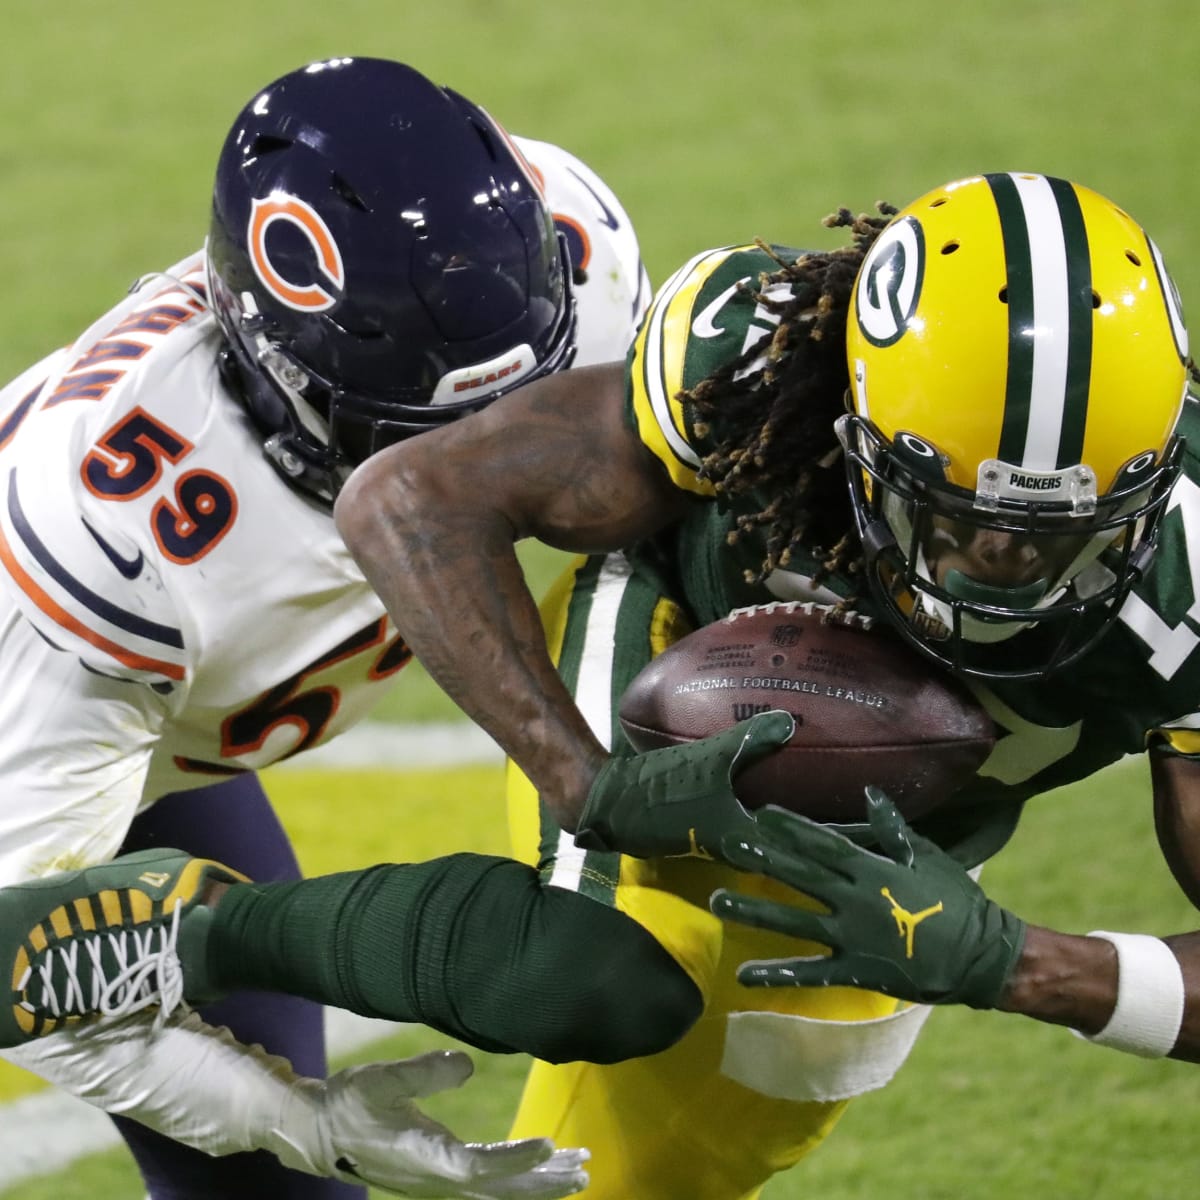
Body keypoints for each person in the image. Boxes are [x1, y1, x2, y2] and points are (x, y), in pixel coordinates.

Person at [5, 171, 1195, 1199]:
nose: (1007, 568)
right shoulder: (764, 351)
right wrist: (587, 783)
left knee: (698, 1136)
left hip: (912, 825)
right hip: (678, 653)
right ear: (859, 429)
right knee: (584, 975)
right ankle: (183, 928)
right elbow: (411, 498)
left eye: (1068, 535)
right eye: (958, 519)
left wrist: (1025, 963)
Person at [0, 53, 652, 1200]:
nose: (474, 471)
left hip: (155, 733)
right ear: (281, 374)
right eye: (416, 440)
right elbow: (24, 971)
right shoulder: (121, 559)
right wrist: (306, 1124)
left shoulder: (575, 255)